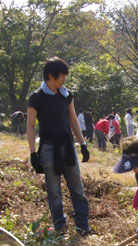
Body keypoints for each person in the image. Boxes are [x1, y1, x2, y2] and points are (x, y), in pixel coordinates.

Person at [27, 57, 91, 235]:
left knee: (77, 188)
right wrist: (33, 153)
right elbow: (30, 126)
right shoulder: (36, 97)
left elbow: (73, 120)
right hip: (48, 148)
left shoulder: (66, 95)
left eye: (65, 75)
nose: (64, 79)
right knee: (54, 192)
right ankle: (60, 227)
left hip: (68, 147)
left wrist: (83, 144)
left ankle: (82, 225)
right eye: (61, 76)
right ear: (50, 76)